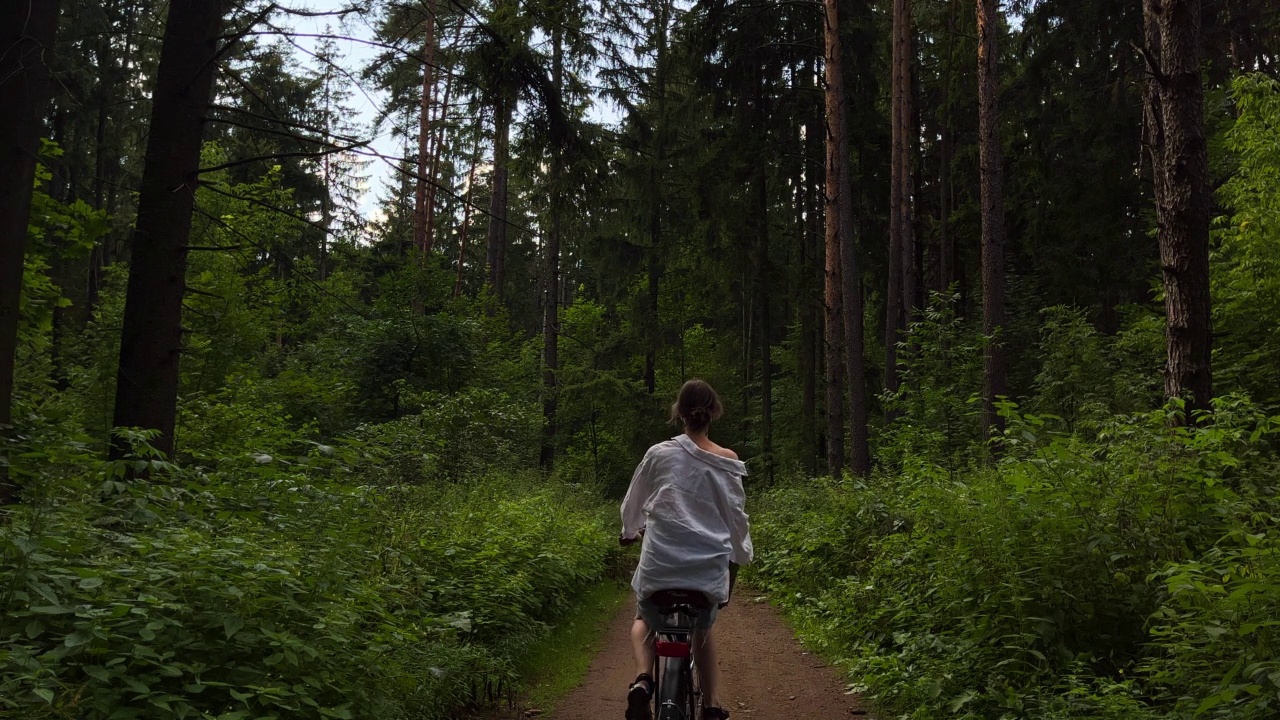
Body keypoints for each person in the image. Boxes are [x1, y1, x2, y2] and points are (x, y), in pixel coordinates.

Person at [619, 379, 753, 720]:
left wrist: (629, 530)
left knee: (643, 619)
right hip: (705, 571)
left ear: (679, 413)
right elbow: (735, 517)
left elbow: (634, 501)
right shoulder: (727, 460)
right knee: (702, 631)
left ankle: (643, 681)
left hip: (660, 566)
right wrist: (741, 554)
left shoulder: (658, 453)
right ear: (713, 414)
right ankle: (710, 707)